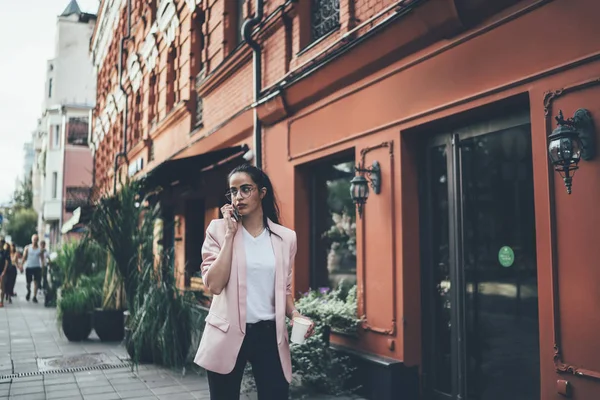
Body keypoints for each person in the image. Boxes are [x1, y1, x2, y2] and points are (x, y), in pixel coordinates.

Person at [194, 164, 315, 400]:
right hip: (227, 332)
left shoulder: (286, 238)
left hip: (270, 335)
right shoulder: (217, 230)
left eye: (246, 189)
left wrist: (295, 315)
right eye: (233, 191)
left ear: (262, 192)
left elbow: (285, 289)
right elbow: (214, 285)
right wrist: (230, 235)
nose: (238, 197)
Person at [22, 234, 43, 303]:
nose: (35, 241)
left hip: (37, 267)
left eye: (36, 239)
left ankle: (34, 296)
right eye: (34, 239)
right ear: (32, 240)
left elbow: (42, 258)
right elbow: (24, 257)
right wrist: (21, 265)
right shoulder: (27, 248)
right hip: (29, 267)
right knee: (28, 283)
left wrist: (42, 267)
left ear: (38, 240)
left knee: (36, 282)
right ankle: (29, 291)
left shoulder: (40, 249)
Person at [0, 238, 9, 307]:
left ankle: (1, 301)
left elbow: (6, 262)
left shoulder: (5, 252)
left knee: (1, 287)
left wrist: (4, 271)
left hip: (2, 271)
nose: (1, 243)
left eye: (2, 242)